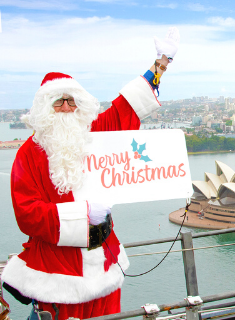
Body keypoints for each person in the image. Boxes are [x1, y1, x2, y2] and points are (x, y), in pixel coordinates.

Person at [0, 28, 180, 320]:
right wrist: (82, 216)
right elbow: (27, 214)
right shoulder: (27, 154)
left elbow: (125, 108)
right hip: (59, 274)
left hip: (104, 263)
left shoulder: (92, 134)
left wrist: (161, 63)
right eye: (59, 101)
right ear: (45, 108)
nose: (67, 108)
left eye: (72, 101)